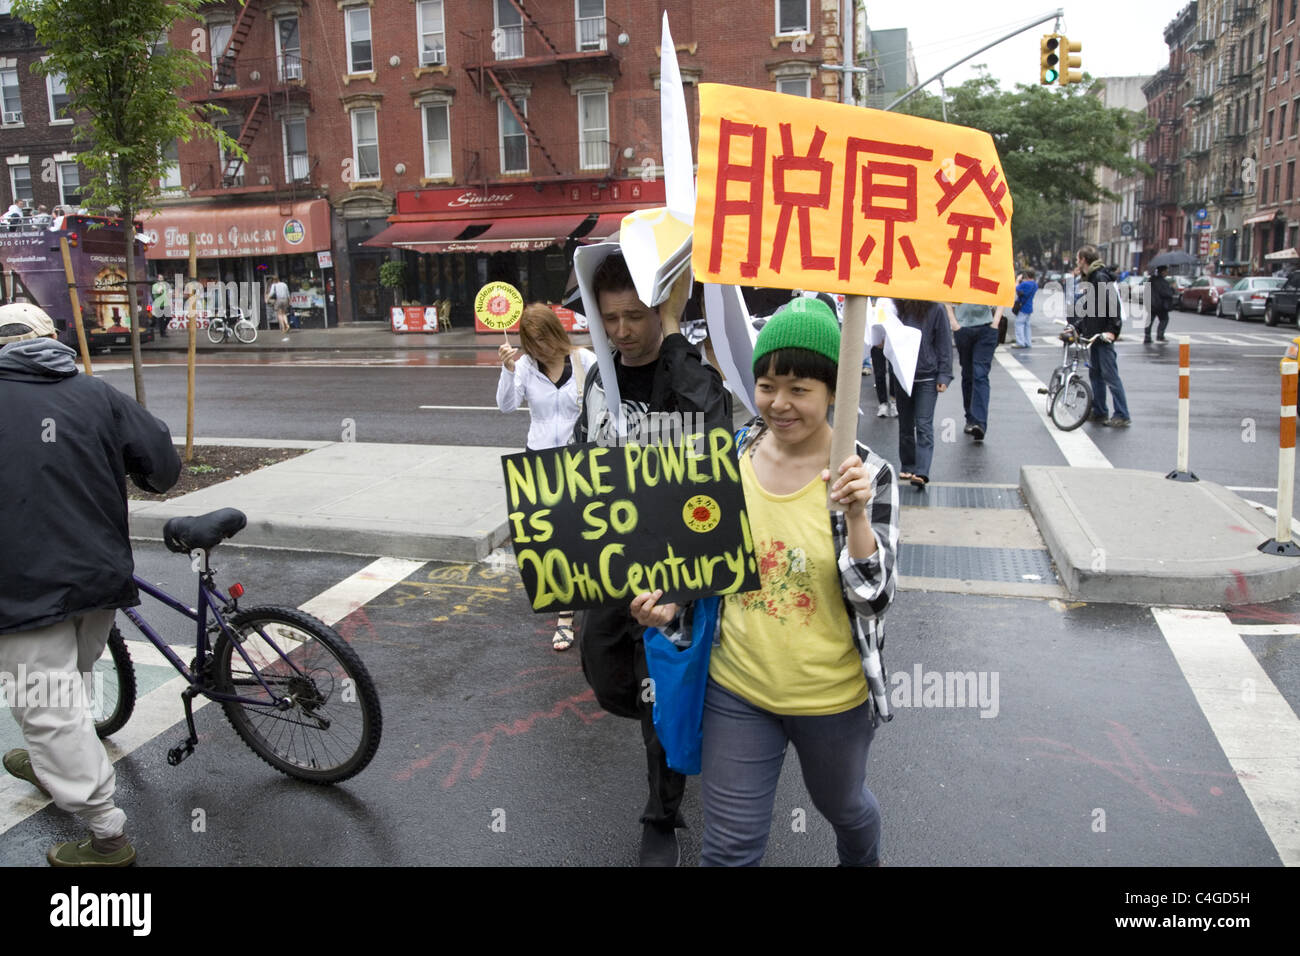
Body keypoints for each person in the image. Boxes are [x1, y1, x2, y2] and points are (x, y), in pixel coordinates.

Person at [630, 296, 900, 866]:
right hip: (738, 689)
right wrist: (668, 608)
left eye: (800, 389)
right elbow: (700, 574)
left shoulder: (867, 475)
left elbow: (874, 600)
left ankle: (862, 855)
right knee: (729, 850)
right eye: (768, 385)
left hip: (831, 698)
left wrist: (855, 515)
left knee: (845, 808)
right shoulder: (729, 458)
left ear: (833, 393)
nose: (780, 403)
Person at [0, 302, 180, 867]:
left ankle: (107, 836)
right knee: (66, 684)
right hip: (99, 577)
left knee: (49, 707)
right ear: (52, 340)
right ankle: (53, 758)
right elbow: (161, 468)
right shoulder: (97, 394)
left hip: (24, 588)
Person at [572, 252, 732, 866]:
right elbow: (577, 457)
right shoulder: (597, 380)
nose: (621, 332)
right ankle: (676, 726)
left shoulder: (692, 376)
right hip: (611, 563)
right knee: (609, 675)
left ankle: (662, 814)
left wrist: (673, 345)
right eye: (609, 318)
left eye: (634, 316)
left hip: (674, 569)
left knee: (656, 696)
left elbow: (716, 457)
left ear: (661, 309)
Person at [497, 303, 597, 651]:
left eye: (543, 339)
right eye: (532, 341)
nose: (539, 348)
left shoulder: (586, 361)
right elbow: (506, 406)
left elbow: (609, 408)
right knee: (555, 542)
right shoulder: (523, 366)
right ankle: (565, 614)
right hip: (539, 463)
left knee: (586, 536)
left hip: (580, 462)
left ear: (556, 332)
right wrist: (508, 371)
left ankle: (595, 597)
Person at [888, 298, 951, 489]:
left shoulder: (936, 308)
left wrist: (944, 376)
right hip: (902, 374)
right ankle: (908, 464)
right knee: (905, 424)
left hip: (927, 376)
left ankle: (922, 471)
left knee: (923, 424)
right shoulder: (895, 306)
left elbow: (944, 343)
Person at [1071, 245, 1131, 427]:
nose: (1076, 262)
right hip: (1094, 335)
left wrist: (1113, 331)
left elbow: (1113, 305)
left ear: (1083, 260)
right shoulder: (1092, 277)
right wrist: (1077, 327)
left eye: (1077, 259)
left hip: (1103, 335)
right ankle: (1099, 410)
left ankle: (1122, 414)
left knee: (1110, 376)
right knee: (1095, 374)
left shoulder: (1099, 277)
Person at [947, 298, 1004, 442]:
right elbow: (945, 292)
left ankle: (980, 423)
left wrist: (996, 321)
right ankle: (970, 418)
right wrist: (953, 323)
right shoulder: (959, 275)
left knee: (980, 374)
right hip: (963, 327)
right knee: (968, 374)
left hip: (986, 327)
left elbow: (1004, 290)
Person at [1010, 269, 1038, 349]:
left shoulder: (1025, 284)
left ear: (1026, 276)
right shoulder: (1035, 285)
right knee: (1027, 326)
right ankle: (1028, 342)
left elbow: (1016, 287)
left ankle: (1020, 342)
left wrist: (1018, 280)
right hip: (1029, 307)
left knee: (1019, 324)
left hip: (1023, 307)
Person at [1146, 265, 1174, 342]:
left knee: (1149, 321)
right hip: (1160, 305)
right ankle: (1160, 335)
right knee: (1164, 319)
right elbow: (1167, 293)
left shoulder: (1151, 279)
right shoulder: (1163, 282)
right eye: (1166, 271)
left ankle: (1147, 337)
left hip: (1151, 304)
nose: (1167, 273)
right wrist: (1171, 289)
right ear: (1163, 272)